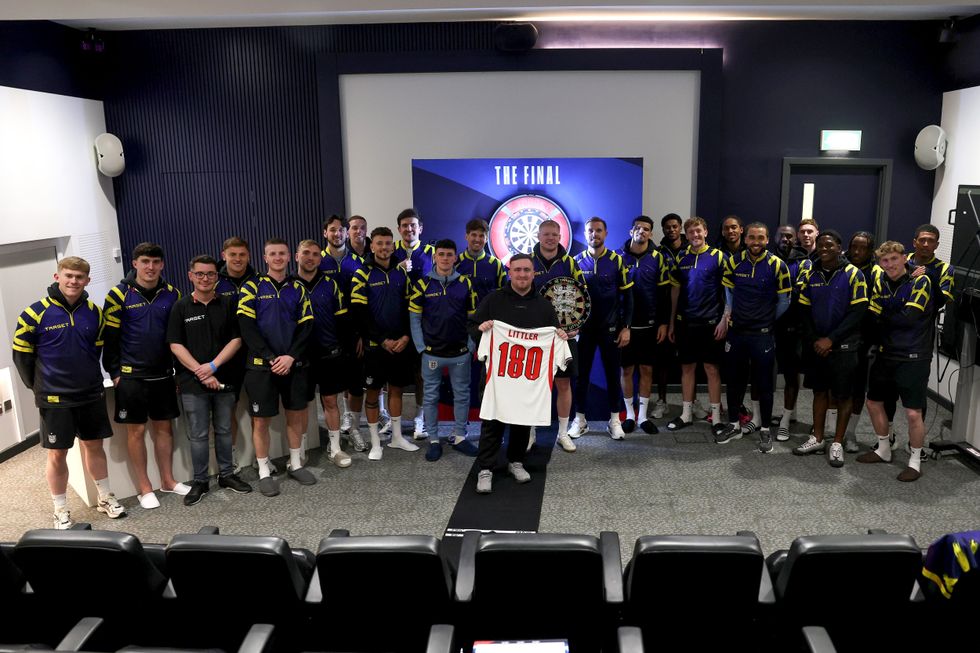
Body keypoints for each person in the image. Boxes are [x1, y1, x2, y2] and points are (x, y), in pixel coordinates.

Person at [12, 256, 124, 528]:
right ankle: (60, 509)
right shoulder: (34, 313)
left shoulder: (95, 313)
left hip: (89, 393)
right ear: (57, 277)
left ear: (87, 280)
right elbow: (21, 357)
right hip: (54, 397)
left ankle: (105, 497)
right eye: (68, 276)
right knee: (57, 454)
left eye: (79, 277)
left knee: (94, 447)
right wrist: (38, 387)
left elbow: (96, 350)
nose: (74, 281)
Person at [468, 253, 569, 494]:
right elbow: (472, 327)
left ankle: (516, 461)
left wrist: (560, 336)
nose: (522, 274)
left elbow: (554, 332)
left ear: (533, 273)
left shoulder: (544, 306)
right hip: (497, 377)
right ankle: (486, 468)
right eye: (517, 270)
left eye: (526, 270)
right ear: (509, 272)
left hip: (528, 379)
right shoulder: (494, 300)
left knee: (523, 422)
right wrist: (480, 329)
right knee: (492, 422)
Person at [102, 243, 188, 509]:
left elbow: (178, 338)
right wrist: (115, 373)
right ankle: (144, 488)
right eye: (145, 262)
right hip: (131, 377)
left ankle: (168, 481)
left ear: (162, 264)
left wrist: (177, 373)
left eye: (155, 262)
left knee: (164, 429)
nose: (150, 267)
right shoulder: (117, 295)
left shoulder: (172, 294)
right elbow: (110, 339)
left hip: (162, 375)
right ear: (135, 263)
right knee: (136, 431)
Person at [167, 255, 252, 505]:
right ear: (190, 276)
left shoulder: (227, 304)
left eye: (211, 274)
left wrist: (214, 366)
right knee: (198, 434)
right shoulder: (180, 307)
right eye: (200, 274)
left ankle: (227, 475)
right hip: (193, 383)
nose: (206, 278)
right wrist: (201, 372)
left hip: (225, 378)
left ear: (217, 277)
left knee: (225, 430)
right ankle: (201, 481)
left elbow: (236, 340)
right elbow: (175, 344)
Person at [238, 238, 317, 496]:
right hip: (261, 367)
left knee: (295, 415)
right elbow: (247, 328)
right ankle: (263, 470)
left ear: (289, 256)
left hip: (293, 365)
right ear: (265, 257)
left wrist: (290, 357)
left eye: (282, 253)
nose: (278, 258)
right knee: (260, 421)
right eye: (272, 254)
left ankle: (295, 463)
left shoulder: (299, 288)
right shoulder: (252, 287)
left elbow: (307, 327)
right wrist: (272, 357)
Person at [857, 241, 933, 481]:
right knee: (873, 402)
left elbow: (909, 318)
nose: (889, 264)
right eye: (884, 260)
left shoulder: (921, 281)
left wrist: (885, 314)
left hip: (914, 355)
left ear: (904, 258)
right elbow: (872, 315)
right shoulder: (880, 281)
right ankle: (883, 449)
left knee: (912, 413)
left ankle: (914, 460)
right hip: (886, 353)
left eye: (893, 259)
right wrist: (887, 314)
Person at [714, 223, 792, 452]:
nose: (756, 241)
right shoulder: (733, 262)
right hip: (737, 333)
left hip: (763, 336)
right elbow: (728, 293)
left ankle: (766, 430)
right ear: (745, 239)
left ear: (767, 240)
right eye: (751, 237)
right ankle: (734, 424)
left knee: (764, 384)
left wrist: (765, 319)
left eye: (760, 238)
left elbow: (785, 302)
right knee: (734, 381)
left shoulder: (778, 265)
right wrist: (729, 316)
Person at [794, 231, 868, 468]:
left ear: (839, 247)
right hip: (818, 346)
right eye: (821, 245)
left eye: (830, 245)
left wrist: (831, 340)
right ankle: (816, 437)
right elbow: (803, 309)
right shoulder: (810, 272)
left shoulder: (853, 274)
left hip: (845, 346)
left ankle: (837, 442)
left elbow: (858, 312)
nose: (824, 248)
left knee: (843, 395)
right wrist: (817, 339)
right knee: (819, 391)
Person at [351, 227, 421, 459]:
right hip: (375, 346)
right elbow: (360, 312)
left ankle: (398, 438)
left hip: (400, 343)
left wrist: (405, 337)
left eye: (388, 243)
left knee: (397, 390)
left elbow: (410, 309)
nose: (384, 247)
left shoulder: (403, 273)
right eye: (379, 243)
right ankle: (375, 443)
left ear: (393, 245)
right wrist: (381, 340)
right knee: (372, 393)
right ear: (372, 246)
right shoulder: (362, 274)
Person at [409, 239, 479, 461]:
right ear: (435, 257)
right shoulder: (422, 284)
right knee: (430, 397)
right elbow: (414, 318)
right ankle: (434, 440)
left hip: (460, 352)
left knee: (462, 395)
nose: (446, 258)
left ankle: (459, 436)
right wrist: (421, 347)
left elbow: (473, 319)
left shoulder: (465, 284)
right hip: (431, 352)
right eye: (442, 254)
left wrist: (470, 346)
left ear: (455, 257)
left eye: (450, 254)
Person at [571, 217, 634, 440]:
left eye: (598, 230)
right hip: (584, 331)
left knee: (612, 375)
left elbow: (628, 297)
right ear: (585, 234)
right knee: (581, 376)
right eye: (590, 231)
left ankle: (614, 420)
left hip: (611, 330)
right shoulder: (575, 262)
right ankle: (580, 420)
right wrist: (572, 326)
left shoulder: (617, 260)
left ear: (605, 234)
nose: (594, 234)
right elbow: (570, 299)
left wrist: (626, 327)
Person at [295, 239, 353, 469]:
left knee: (331, 401)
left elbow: (343, 321)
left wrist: (344, 350)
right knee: (301, 405)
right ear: (297, 256)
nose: (310, 258)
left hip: (329, 354)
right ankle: (298, 452)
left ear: (321, 259)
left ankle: (336, 448)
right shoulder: (288, 286)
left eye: (315, 254)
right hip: (300, 356)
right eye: (306, 253)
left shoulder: (331, 285)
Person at [666, 217, 727, 434]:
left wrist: (724, 319)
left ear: (706, 232)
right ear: (686, 235)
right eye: (691, 232)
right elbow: (675, 291)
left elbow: (729, 291)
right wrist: (672, 322)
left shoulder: (719, 257)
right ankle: (686, 413)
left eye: (698, 231)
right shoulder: (681, 257)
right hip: (686, 324)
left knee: (711, 369)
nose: (695, 235)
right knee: (687, 368)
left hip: (711, 323)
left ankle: (716, 417)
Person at [532, 219, 585, 450]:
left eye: (554, 234)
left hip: (564, 335)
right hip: (534, 335)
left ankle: (563, 433)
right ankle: (530, 433)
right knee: (533, 386)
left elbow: (583, 296)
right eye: (546, 234)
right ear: (538, 235)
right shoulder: (526, 262)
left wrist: (577, 324)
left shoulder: (570, 263)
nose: (550, 238)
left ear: (560, 236)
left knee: (563, 384)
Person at [618, 216, 672, 435]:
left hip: (650, 325)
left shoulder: (659, 258)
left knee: (647, 370)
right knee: (627, 370)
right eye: (638, 228)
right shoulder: (618, 257)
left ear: (651, 234)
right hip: (626, 326)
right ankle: (629, 415)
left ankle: (642, 417)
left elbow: (664, 294)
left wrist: (663, 323)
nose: (642, 231)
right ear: (632, 231)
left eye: (646, 229)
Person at [319, 215, 369, 453]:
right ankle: (335, 432)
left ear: (346, 233)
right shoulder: (316, 261)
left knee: (356, 384)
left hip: (352, 331)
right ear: (325, 233)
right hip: (326, 332)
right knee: (331, 387)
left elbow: (363, 302)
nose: (337, 234)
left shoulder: (358, 261)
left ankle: (354, 426)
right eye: (332, 230)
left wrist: (360, 333)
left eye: (341, 230)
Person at [214, 236, 260, 473]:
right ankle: (230, 459)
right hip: (226, 358)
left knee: (257, 409)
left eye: (242, 254)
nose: (238, 259)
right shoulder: (214, 283)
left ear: (248, 256)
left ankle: (260, 458)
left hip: (254, 355)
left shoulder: (259, 281)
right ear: (224, 256)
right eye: (233, 255)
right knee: (228, 410)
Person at [393, 208, 435, 438]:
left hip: (423, 322)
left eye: (413, 225)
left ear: (420, 228)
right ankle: (393, 420)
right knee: (394, 376)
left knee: (422, 375)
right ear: (399, 229)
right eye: (404, 225)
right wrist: (396, 270)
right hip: (396, 322)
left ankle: (420, 418)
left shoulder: (431, 253)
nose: (409, 229)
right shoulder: (391, 252)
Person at [843, 231, 881, 453]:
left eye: (863, 248)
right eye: (854, 246)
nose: (857, 251)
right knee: (834, 387)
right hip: (839, 335)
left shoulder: (877, 273)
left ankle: (850, 433)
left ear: (870, 250)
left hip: (863, 340)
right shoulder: (841, 267)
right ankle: (831, 429)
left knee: (857, 390)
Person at [772, 225, 808, 441]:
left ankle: (786, 419)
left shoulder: (803, 261)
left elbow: (797, 291)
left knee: (790, 375)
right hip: (765, 325)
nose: (785, 239)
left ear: (795, 239)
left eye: (789, 236)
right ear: (774, 238)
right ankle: (761, 417)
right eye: (781, 235)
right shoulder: (767, 259)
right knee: (762, 374)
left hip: (792, 327)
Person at [653, 213, 688, 421]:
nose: (671, 230)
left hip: (690, 311)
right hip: (665, 311)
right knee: (662, 361)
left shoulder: (692, 249)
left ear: (680, 227)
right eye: (667, 227)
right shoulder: (658, 253)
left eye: (675, 226)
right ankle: (662, 401)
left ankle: (691, 402)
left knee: (690, 361)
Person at [456, 218, 506, 307]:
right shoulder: (455, 263)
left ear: (486, 238)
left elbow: (504, 295)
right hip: (461, 317)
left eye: (481, 236)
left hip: (488, 318)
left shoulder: (496, 264)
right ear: (466, 236)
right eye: (474, 235)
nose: (477, 239)